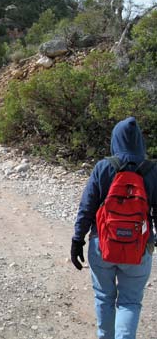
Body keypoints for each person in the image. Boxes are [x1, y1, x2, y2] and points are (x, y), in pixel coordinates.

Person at [71, 117, 157, 339]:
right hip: (138, 249)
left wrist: (77, 240)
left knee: (103, 297)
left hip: (103, 245)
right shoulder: (152, 170)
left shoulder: (103, 167)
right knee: (130, 302)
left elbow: (87, 208)